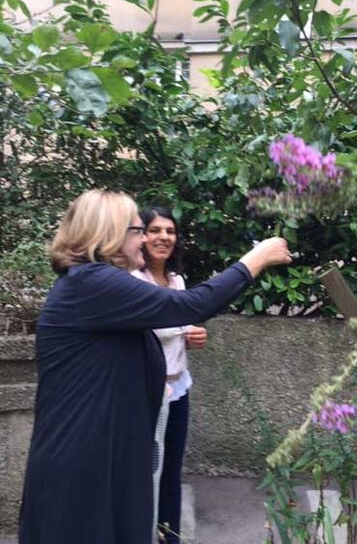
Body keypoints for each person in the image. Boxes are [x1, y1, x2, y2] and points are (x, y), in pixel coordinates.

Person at [19, 189, 291, 544]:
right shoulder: (92, 283)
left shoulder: (92, 285)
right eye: (138, 230)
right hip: (82, 461)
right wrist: (255, 259)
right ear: (110, 234)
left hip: (99, 454)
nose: (146, 239)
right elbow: (193, 303)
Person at [132, 207, 205, 544]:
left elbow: (180, 331)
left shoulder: (177, 282)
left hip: (179, 388)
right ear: (141, 236)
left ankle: (168, 538)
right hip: (145, 392)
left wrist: (194, 337)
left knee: (172, 471)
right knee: (144, 472)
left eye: (170, 231)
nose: (163, 237)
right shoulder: (133, 281)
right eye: (155, 230)